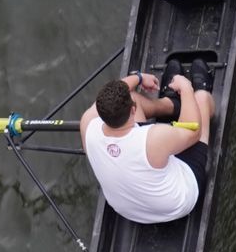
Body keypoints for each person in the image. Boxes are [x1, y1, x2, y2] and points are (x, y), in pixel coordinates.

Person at [80, 64, 215, 226]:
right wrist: (186, 88)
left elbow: (119, 90)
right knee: (201, 99)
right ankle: (196, 93)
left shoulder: (87, 124)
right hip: (180, 201)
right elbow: (193, 132)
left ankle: (170, 104)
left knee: (133, 96)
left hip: (128, 212)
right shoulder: (153, 138)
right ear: (132, 110)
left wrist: (140, 77)